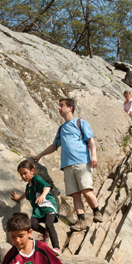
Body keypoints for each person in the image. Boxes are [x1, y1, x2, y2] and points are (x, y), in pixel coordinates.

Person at [33, 98, 103, 232]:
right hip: (67, 166)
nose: (59, 108)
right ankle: (81, 221)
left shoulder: (80, 123)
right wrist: (39, 155)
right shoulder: (61, 129)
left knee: (86, 191)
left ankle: (97, 212)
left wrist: (94, 156)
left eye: (61, 106)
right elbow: (54, 146)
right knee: (76, 195)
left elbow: (91, 141)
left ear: (70, 108)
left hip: (82, 162)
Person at [11, 160, 61, 256]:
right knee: (32, 224)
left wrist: (43, 195)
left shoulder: (36, 179)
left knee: (49, 224)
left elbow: (47, 187)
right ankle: (45, 233)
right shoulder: (28, 186)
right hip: (38, 210)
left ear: (32, 171)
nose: (23, 176)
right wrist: (18, 199)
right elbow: (26, 194)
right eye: (21, 174)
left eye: (25, 173)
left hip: (48, 207)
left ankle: (57, 248)